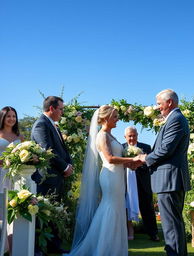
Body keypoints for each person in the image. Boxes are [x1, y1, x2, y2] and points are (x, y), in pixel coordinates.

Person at [67, 105, 141, 256]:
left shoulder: (111, 135)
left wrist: (131, 164)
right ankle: (103, 250)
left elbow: (118, 159)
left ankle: (115, 249)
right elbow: (109, 158)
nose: (117, 119)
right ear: (106, 118)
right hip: (110, 176)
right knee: (110, 208)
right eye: (115, 116)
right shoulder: (102, 136)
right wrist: (133, 157)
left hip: (118, 175)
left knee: (118, 208)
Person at [138, 89, 191, 256]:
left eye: (159, 104)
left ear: (169, 102)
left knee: (171, 226)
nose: (157, 107)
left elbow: (165, 149)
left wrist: (144, 158)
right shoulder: (175, 119)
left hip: (170, 179)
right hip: (169, 179)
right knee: (173, 225)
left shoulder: (176, 119)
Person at [31, 96, 73, 254]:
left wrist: (69, 165)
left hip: (57, 177)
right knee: (44, 213)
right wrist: (64, 167)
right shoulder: (41, 125)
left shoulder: (53, 125)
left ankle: (54, 246)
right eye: (61, 109)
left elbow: (62, 150)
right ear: (52, 108)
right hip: (46, 178)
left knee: (54, 212)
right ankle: (39, 248)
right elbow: (47, 150)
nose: (62, 112)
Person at [123, 126, 159, 241]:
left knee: (147, 207)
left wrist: (138, 164)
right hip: (125, 182)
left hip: (142, 181)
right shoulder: (121, 148)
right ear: (125, 137)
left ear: (137, 135)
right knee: (125, 206)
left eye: (134, 135)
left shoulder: (146, 147)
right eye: (129, 136)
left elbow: (151, 163)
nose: (132, 138)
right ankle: (126, 230)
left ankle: (153, 233)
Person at [0, 106, 24, 254]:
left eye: (14, 116)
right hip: (1, 175)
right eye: (8, 116)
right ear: (2, 117)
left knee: (14, 211)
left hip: (16, 176)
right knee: (1, 212)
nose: (11, 119)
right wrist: (4, 161)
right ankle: (3, 247)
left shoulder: (20, 137)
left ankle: (14, 247)